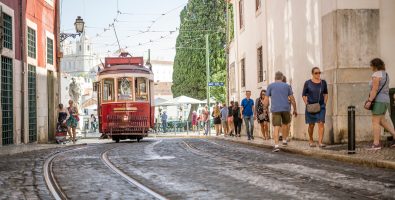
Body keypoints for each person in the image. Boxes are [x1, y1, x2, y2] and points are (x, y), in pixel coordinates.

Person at [364, 58, 395, 150]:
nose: (371, 67)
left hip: (379, 100)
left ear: (374, 65)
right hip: (386, 100)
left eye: (371, 65)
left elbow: (374, 89)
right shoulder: (386, 74)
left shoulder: (376, 74)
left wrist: (369, 101)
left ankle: (376, 144)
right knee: (382, 120)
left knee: (375, 121)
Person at [264, 71, 297, 152]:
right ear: (282, 78)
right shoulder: (287, 86)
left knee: (276, 127)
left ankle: (276, 145)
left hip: (275, 109)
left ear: (275, 78)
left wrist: (265, 108)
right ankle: (284, 140)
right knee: (285, 124)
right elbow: (292, 99)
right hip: (286, 108)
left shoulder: (270, 86)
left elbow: (266, 99)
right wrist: (295, 109)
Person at [302, 67, 329, 148]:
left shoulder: (323, 82)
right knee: (311, 125)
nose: (318, 74)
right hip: (311, 106)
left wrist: (324, 103)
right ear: (312, 74)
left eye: (319, 72)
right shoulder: (307, 83)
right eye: (316, 73)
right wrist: (307, 104)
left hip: (321, 106)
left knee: (321, 123)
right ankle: (311, 140)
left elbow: (326, 93)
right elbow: (303, 95)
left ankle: (320, 142)